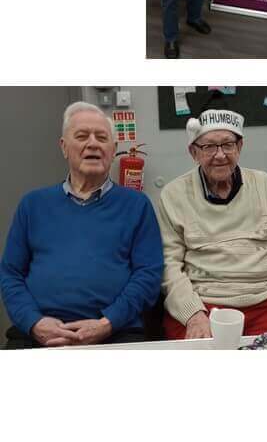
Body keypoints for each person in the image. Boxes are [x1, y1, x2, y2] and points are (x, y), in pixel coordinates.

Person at [1, 102, 162, 348]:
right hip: (37, 334)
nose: (93, 144)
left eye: (102, 138)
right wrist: (34, 323)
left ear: (113, 150)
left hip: (115, 332)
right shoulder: (32, 205)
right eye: (82, 136)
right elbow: (10, 273)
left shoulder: (137, 205)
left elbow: (148, 275)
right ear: (64, 147)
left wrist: (107, 323)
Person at [155, 109, 267, 340]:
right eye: (209, 147)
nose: (220, 155)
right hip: (204, 306)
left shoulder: (264, 184)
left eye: (227, 145)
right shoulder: (173, 194)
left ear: (240, 146)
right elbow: (169, 265)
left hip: (266, 303)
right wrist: (192, 314)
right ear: (193, 152)